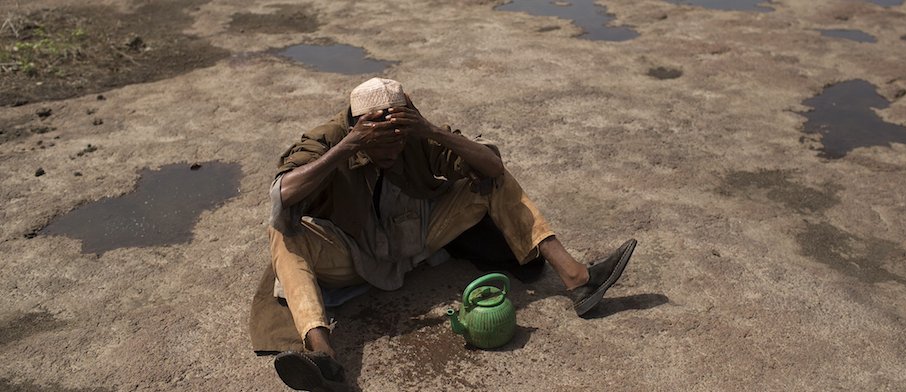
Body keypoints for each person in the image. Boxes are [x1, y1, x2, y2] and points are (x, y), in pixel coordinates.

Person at [249, 78, 637, 391]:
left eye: (398, 139)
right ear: (355, 127)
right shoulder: (331, 137)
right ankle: (324, 358)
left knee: (491, 179)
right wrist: (349, 145)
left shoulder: (417, 133)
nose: (391, 149)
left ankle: (578, 279)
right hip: (354, 253)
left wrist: (431, 130)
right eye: (379, 141)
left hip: (416, 238)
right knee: (283, 231)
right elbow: (282, 194)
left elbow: (492, 166)